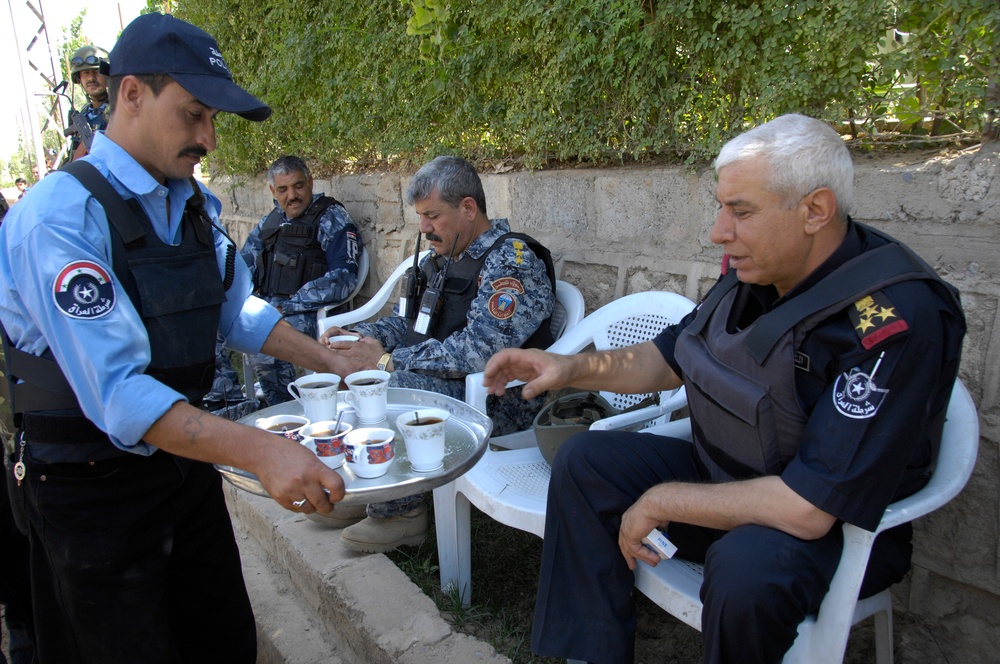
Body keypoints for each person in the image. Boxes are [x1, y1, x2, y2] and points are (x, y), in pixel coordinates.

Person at [481, 114, 966, 664]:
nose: (719, 231)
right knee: (586, 460)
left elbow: (810, 508)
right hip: (731, 480)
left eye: (740, 211)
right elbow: (670, 357)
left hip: (830, 531)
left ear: (815, 210)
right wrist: (567, 367)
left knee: (744, 569)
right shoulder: (759, 267)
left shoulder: (896, 320)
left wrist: (664, 499)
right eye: (722, 208)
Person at [0, 13, 348, 663]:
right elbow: (121, 397)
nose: (209, 138)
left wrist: (330, 361)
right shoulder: (59, 218)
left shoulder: (192, 203)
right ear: (130, 94)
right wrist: (263, 452)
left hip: (182, 470)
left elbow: (234, 310)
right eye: (194, 115)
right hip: (88, 488)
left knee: (220, 640)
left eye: (212, 119)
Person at [321, 155, 557, 551]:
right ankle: (374, 490)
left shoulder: (510, 261)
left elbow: (482, 351)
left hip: (503, 400)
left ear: (468, 208)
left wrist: (388, 361)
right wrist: (357, 337)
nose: (424, 228)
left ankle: (401, 514)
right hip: (451, 385)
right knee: (365, 376)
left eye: (432, 215)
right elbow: (406, 324)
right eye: (420, 216)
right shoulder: (441, 260)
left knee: (386, 386)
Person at [204, 155, 362, 410]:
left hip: (307, 313)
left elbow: (344, 278)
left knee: (267, 347)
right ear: (272, 191)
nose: (292, 196)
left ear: (310, 182)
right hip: (269, 307)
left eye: (298, 186)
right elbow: (242, 267)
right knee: (209, 325)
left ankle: (287, 409)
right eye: (283, 189)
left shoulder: (331, 218)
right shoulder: (272, 220)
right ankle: (227, 404)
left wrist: (287, 306)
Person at [66, 45, 110, 161]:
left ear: (108, 76)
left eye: (97, 72)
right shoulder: (83, 115)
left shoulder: (122, 110)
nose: (91, 78)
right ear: (79, 78)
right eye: (85, 73)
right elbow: (74, 154)